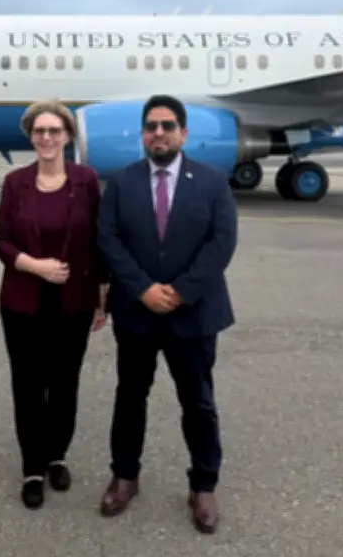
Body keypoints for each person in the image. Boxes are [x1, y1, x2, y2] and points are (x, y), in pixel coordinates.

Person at [96, 94, 238, 533]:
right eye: (151, 126)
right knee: (129, 398)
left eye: (168, 126)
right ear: (142, 134)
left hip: (192, 314)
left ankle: (203, 484)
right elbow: (108, 239)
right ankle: (125, 476)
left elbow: (222, 243)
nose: (159, 133)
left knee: (198, 402)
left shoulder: (213, 182)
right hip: (137, 313)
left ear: (183, 133)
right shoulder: (121, 183)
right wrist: (142, 289)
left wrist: (180, 292)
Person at [0, 100, 108, 509]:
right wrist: (34, 265)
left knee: (64, 383)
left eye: (54, 130)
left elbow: (98, 239)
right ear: (31, 136)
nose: (46, 137)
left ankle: (57, 454)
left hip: (74, 300)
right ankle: (32, 467)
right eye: (39, 131)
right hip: (23, 301)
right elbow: (1, 239)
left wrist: (102, 296)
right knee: (28, 385)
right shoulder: (15, 182)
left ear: (67, 136)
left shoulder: (86, 180)